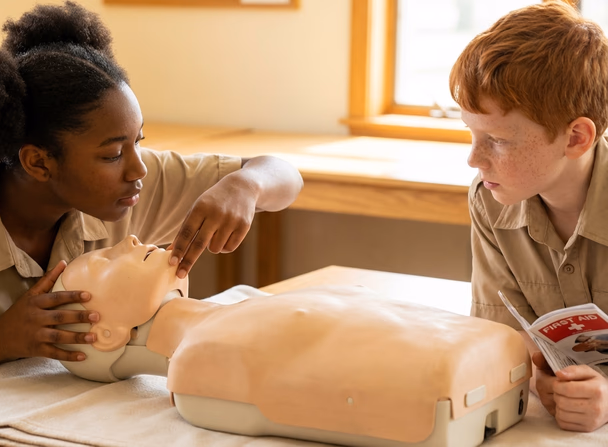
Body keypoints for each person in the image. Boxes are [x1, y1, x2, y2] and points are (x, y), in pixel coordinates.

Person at [0, 1, 302, 416]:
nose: (138, 168)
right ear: (38, 161)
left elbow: (285, 176)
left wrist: (245, 184)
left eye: (139, 141)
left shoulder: (130, 186)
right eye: (112, 153)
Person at [49, 235, 530, 446]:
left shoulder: (237, 316)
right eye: (109, 259)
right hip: (450, 376)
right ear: (106, 334)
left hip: (468, 358)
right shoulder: (199, 360)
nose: (131, 240)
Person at [449, 0, 608, 433]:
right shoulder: (489, 200)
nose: (474, 159)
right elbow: (501, 337)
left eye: (497, 139)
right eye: (471, 133)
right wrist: (539, 379)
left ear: (576, 137)